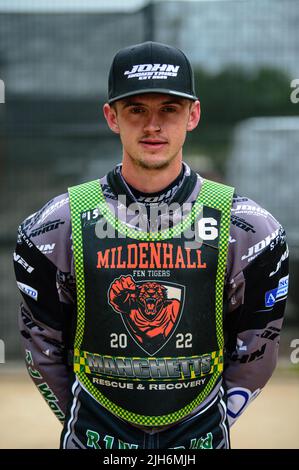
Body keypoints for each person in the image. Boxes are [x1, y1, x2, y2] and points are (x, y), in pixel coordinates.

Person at [13, 41, 289, 450]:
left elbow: (256, 349)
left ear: (193, 114)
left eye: (169, 109)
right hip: (94, 438)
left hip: (200, 439)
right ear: (112, 117)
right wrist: (88, 418)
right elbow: (43, 346)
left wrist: (206, 422)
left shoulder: (251, 230)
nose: (153, 126)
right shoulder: (55, 226)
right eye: (137, 110)